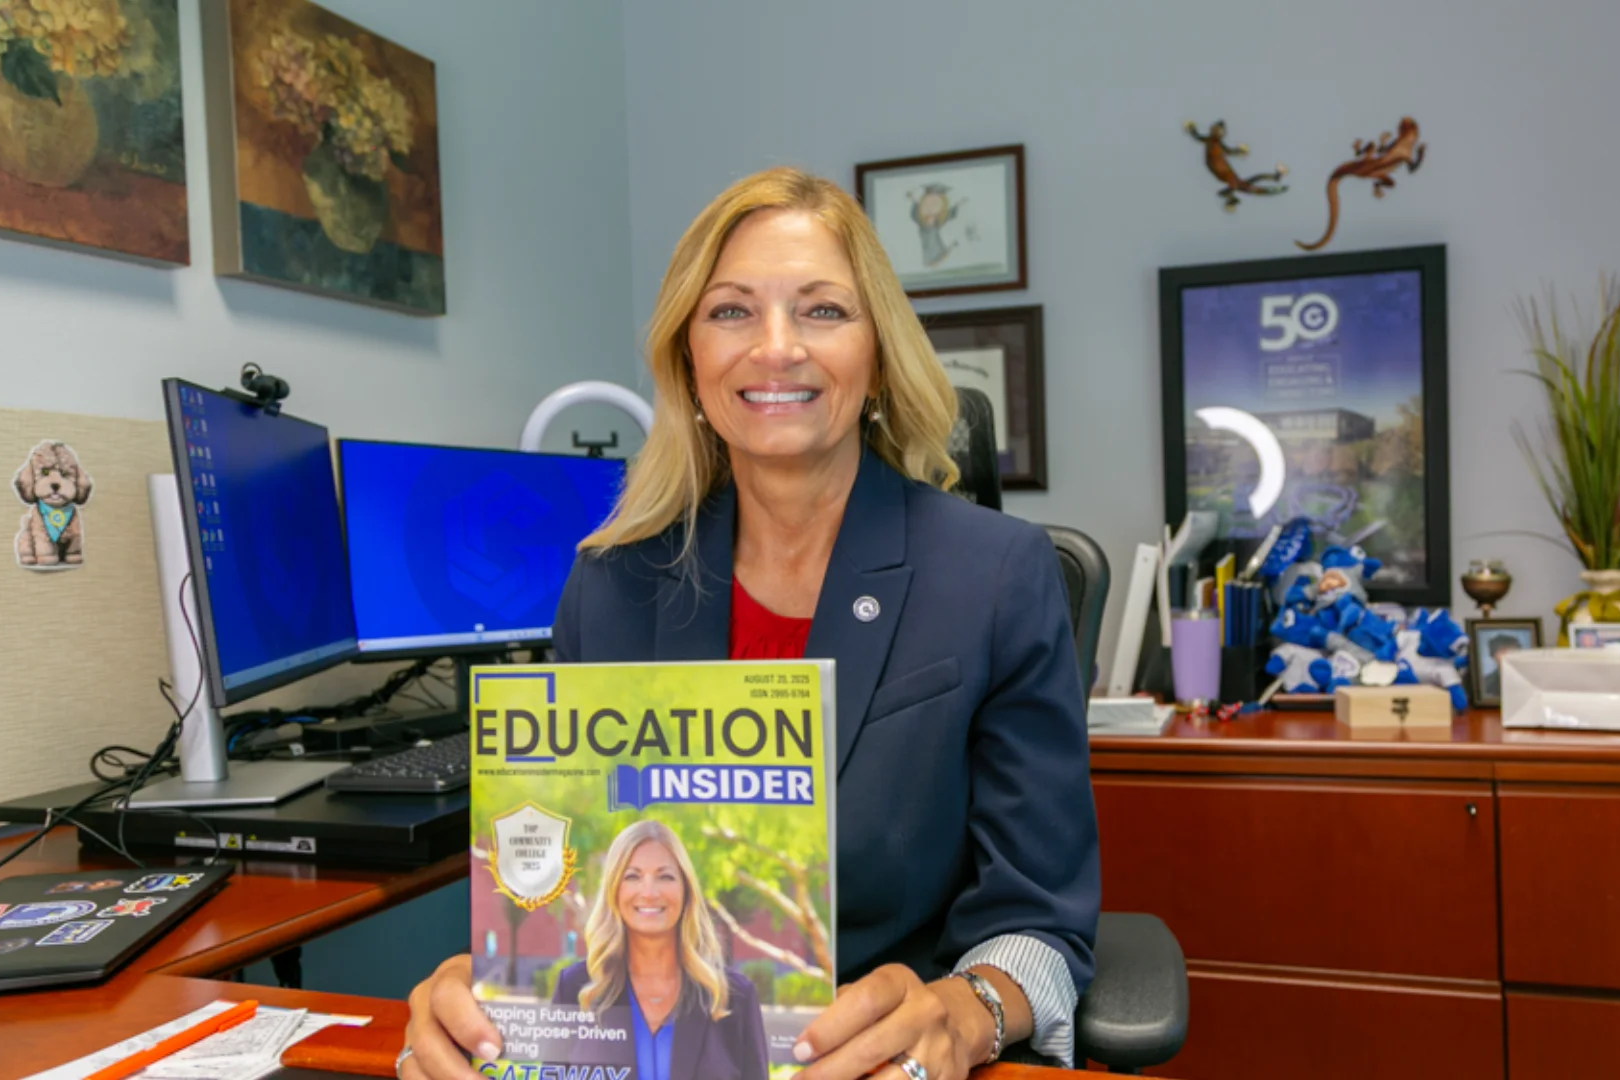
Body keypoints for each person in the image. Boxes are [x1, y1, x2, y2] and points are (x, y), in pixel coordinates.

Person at [404, 166, 1100, 1080]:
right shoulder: (609, 583)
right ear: (689, 359)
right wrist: (492, 984)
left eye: (822, 311)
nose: (776, 348)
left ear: (879, 355)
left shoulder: (998, 574)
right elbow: (563, 897)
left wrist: (964, 1015)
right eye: (732, 311)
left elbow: (1041, 920)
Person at [552, 820, 767, 1080]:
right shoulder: (574, 988)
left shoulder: (735, 997)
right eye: (632, 876)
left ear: (686, 890)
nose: (649, 892)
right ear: (614, 890)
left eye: (665, 876)